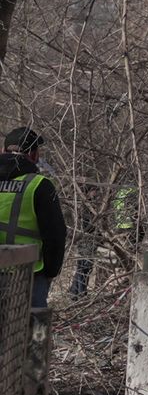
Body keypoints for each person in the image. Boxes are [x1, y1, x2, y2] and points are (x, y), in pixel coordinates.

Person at [0, 127, 66, 311]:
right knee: (33, 333)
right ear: (34, 155)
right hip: (29, 276)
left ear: (3, 151)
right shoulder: (39, 185)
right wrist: (51, 272)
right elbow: (55, 235)